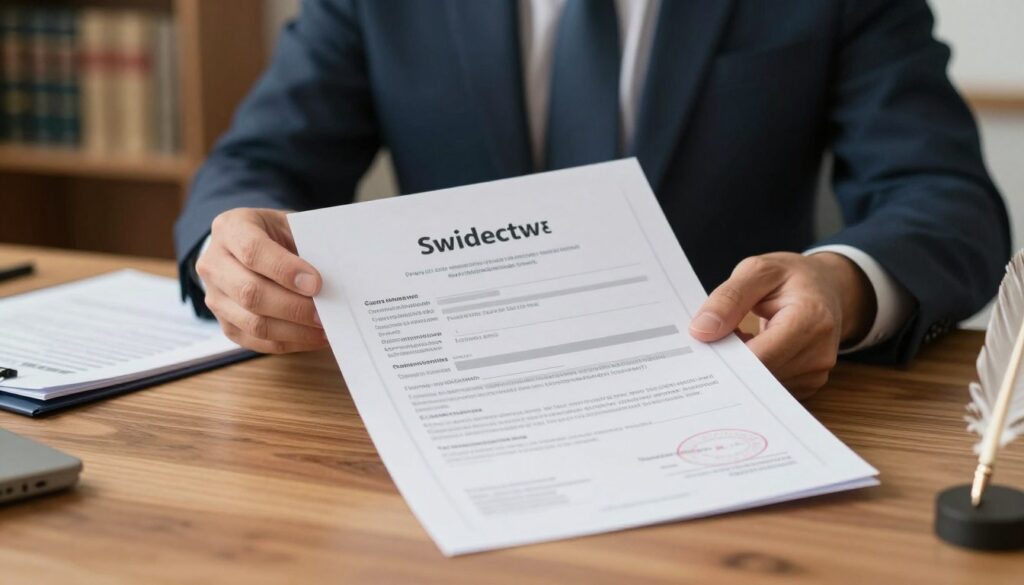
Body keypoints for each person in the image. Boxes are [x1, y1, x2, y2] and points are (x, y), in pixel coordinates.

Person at [175, 0, 1010, 398]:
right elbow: (260, 161)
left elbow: (945, 197)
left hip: (735, 396)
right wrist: (234, 248)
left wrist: (843, 284)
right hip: (456, 402)